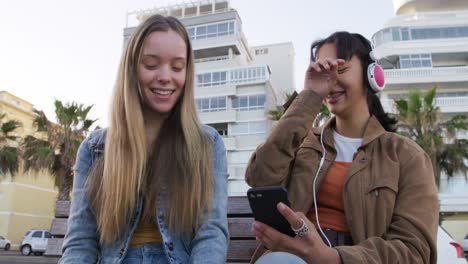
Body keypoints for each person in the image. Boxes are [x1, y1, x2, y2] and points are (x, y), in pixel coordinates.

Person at [245, 31, 438, 264]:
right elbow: (259, 177)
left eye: (341, 69)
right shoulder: (303, 142)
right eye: (323, 70)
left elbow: (414, 251)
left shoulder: (406, 156)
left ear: (371, 75)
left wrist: (332, 258)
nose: (330, 80)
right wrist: (309, 97)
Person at [60, 14, 229, 264]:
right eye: (151, 65)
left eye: (177, 67)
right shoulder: (95, 149)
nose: (165, 76)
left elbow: (211, 234)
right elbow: (80, 243)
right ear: (131, 70)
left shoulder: (207, 144)